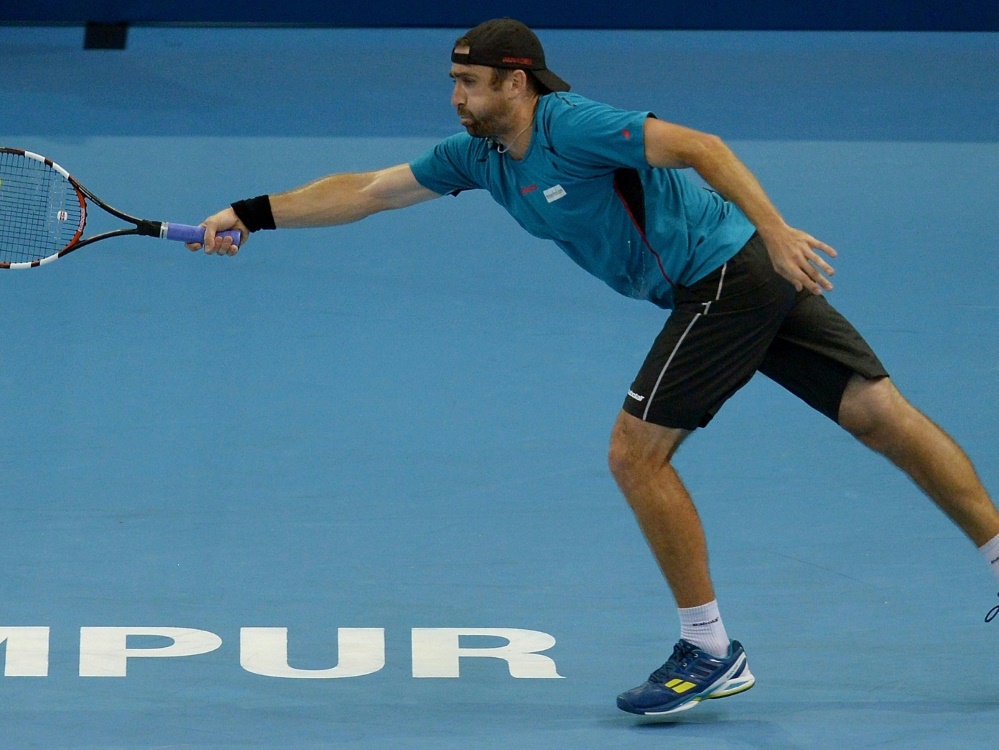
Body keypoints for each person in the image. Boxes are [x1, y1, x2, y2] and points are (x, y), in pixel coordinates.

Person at [192, 18, 999, 717]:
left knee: (633, 456)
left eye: (467, 83)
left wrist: (778, 229)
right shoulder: (477, 157)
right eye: (451, 82)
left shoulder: (572, 126)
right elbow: (367, 190)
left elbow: (700, 146)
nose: (454, 98)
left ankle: (708, 649)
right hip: (736, 273)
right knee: (877, 415)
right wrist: (251, 215)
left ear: (515, 82)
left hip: (723, 279)